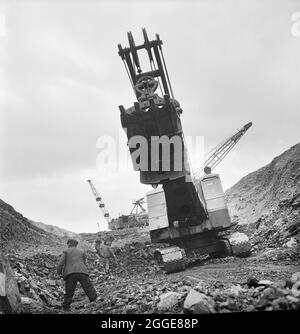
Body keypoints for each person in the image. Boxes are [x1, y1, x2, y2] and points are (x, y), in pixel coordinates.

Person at [57, 239, 97, 311]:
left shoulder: (66, 251)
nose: (67, 245)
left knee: (69, 291)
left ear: (69, 244)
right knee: (88, 287)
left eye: (68, 244)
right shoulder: (82, 251)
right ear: (76, 245)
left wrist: (59, 273)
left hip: (70, 273)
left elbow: (60, 264)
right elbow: (84, 262)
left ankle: (66, 308)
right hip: (82, 272)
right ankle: (95, 301)